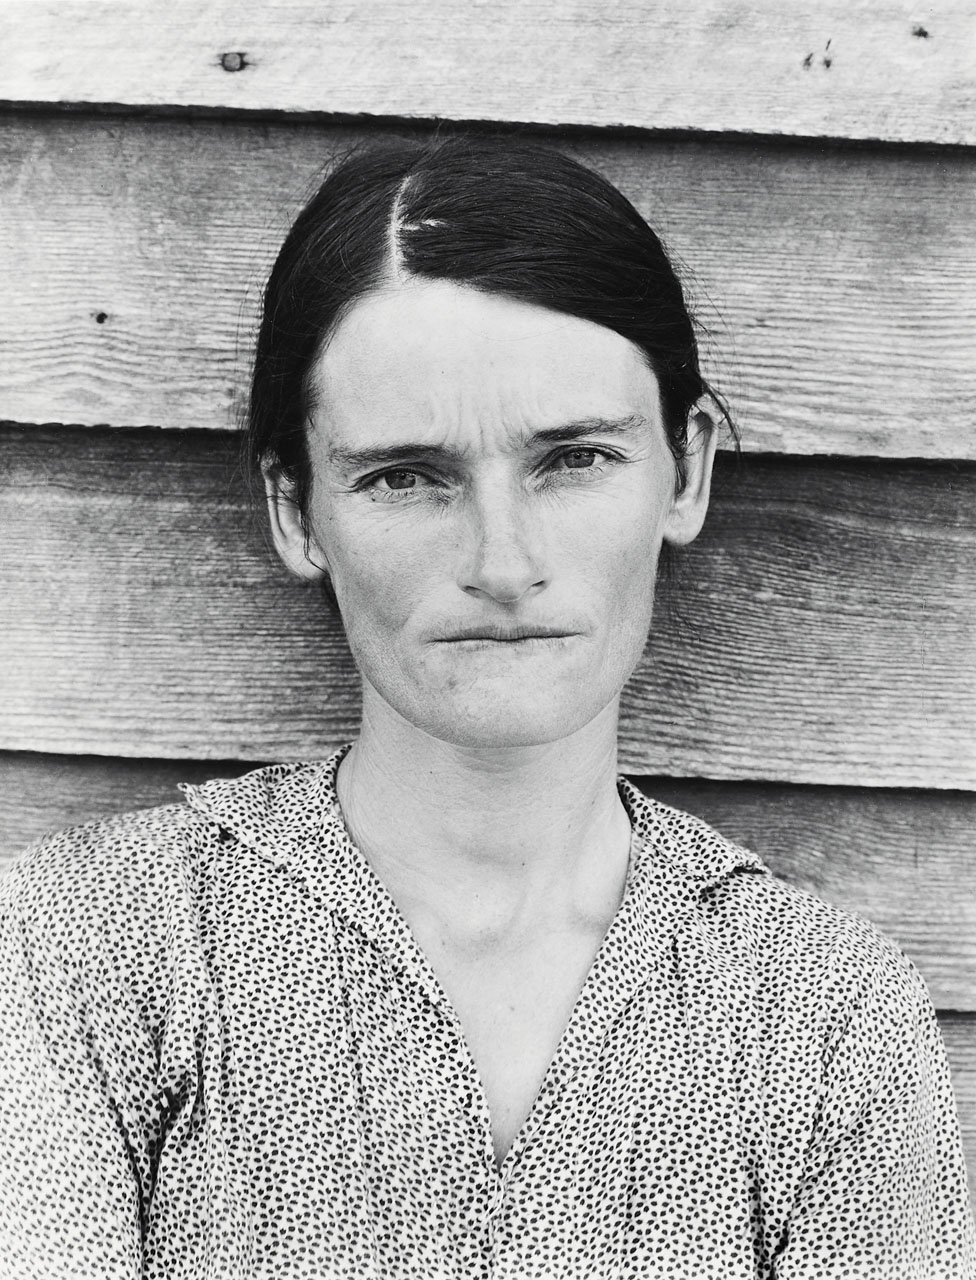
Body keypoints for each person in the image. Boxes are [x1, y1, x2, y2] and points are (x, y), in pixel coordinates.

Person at [0, 136, 973, 1280]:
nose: (503, 561)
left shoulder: (823, 1015)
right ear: (297, 509)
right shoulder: (86, 946)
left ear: (686, 466)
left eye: (573, 459)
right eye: (404, 476)